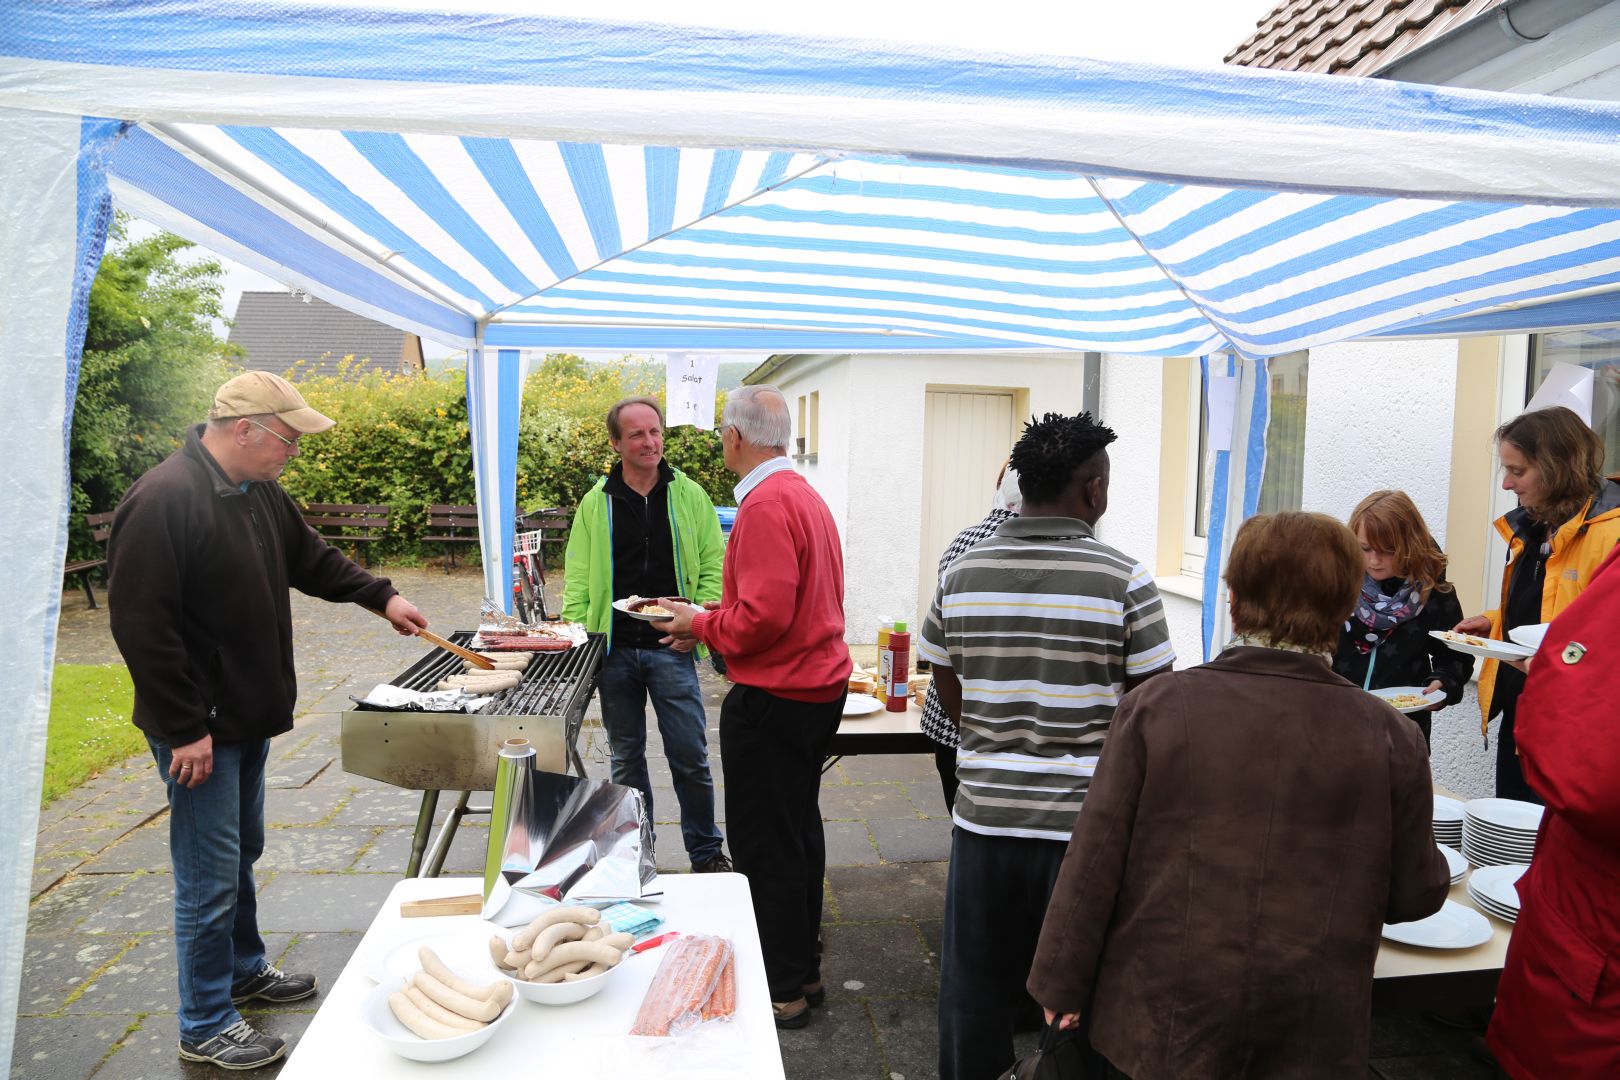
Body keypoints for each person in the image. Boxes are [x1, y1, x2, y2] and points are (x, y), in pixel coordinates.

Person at [1029, 511, 1450, 1080]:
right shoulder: (1390, 735)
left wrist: (1060, 982)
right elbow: (1414, 896)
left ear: (1233, 599)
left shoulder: (1157, 707)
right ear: (1348, 604)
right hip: (1308, 1024)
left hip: (1163, 1019)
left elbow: (1094, 862)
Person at [106, 371, 426, 1070]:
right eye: (288, 439)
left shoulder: (256, 492)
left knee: (239, 850)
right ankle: (205, 1021)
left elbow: (308, 557)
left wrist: (382, 598)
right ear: (244, 429)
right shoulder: (164, 499)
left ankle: (243, 969)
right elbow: (141, 625)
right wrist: (186, 725)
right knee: (208, 871)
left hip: (244, 713)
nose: (294, 452)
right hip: (199, 725)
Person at [917, 411, 1175, 1080]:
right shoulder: (1125, 580)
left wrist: (993, 739)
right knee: (1079, 998)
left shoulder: (961, 574)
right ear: (1092, 490)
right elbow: (1154, 709)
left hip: (982, 818)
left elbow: (943, 677)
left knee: (973, 989)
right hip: (1086, 828)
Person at [654, 385, 849, 1030]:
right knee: (798, 831)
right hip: (816, 688)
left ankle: (784, 987)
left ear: (736, 437)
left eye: (720, 434)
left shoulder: (765, 504)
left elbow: (763, 616)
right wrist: (707, 624)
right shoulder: (805, 494)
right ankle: (807, 970)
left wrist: (701, 623)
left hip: (776, 696)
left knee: (766, 843)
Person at [562, 396, 729, 873]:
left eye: (654, 431)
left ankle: (706, 852)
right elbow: (578, 576)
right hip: (615, 650)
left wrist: (698, 627)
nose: (649, 441)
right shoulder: (597, 502)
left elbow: (714, 564)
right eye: (636, 434)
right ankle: (638, 855)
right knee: (626, 761)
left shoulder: (689, 494)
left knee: (690, 756)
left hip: (672, 644)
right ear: (616, 442)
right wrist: (581, 640)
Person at [1486, 546, 1620, 1079]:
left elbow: (1591, 773)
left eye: (1517, 467)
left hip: (1594, 940)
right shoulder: (1531, 535)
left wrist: (1550, 667)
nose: (1506, 483)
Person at [1453, 405, 1620, 802]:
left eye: (1518, 471)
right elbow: (1549, 606)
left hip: (1575, 732)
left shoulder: (1610, 534)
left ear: (1557, 467)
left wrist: (1553, 659)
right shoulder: (1534, 525)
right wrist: (1494, 622)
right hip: (1525, 714)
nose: (1507, 485)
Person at [1331, 490, 1472, 748]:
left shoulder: (1433, 591)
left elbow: (1456, 655)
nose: (1374, 560)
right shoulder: (1337, 583)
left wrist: (1443, 684)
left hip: (1400, 735)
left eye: (1387, 551)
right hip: (1335, 728)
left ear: (1410, 544)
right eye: (1365, 548)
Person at [918, 460, 1022, 811]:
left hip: (952, 720)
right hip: (1013, 725)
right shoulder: (1059, 549)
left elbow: (941, 639)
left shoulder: (962, 541)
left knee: (963, 821)